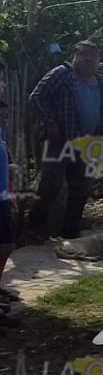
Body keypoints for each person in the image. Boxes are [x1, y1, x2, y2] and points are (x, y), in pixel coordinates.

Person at [27, 39, 103, 242]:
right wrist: (51, 122)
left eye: (93, 56)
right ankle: (34, 229)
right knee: (51, 183)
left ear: (98, 60)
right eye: (84, 55)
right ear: (75, 55)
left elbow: (100, 110)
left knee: (80, 187)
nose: (88, 60)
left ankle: (70, 232)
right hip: (60, 139)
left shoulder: (100, 82)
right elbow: (37, 96)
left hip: (86, 141)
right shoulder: (62, 73)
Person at [0, 100, 17, 310]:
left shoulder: (2, 141)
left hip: (3, 200)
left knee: (7, 244)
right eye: (0, 116)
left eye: (5, 116)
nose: (4, 121)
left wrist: (11, 198)